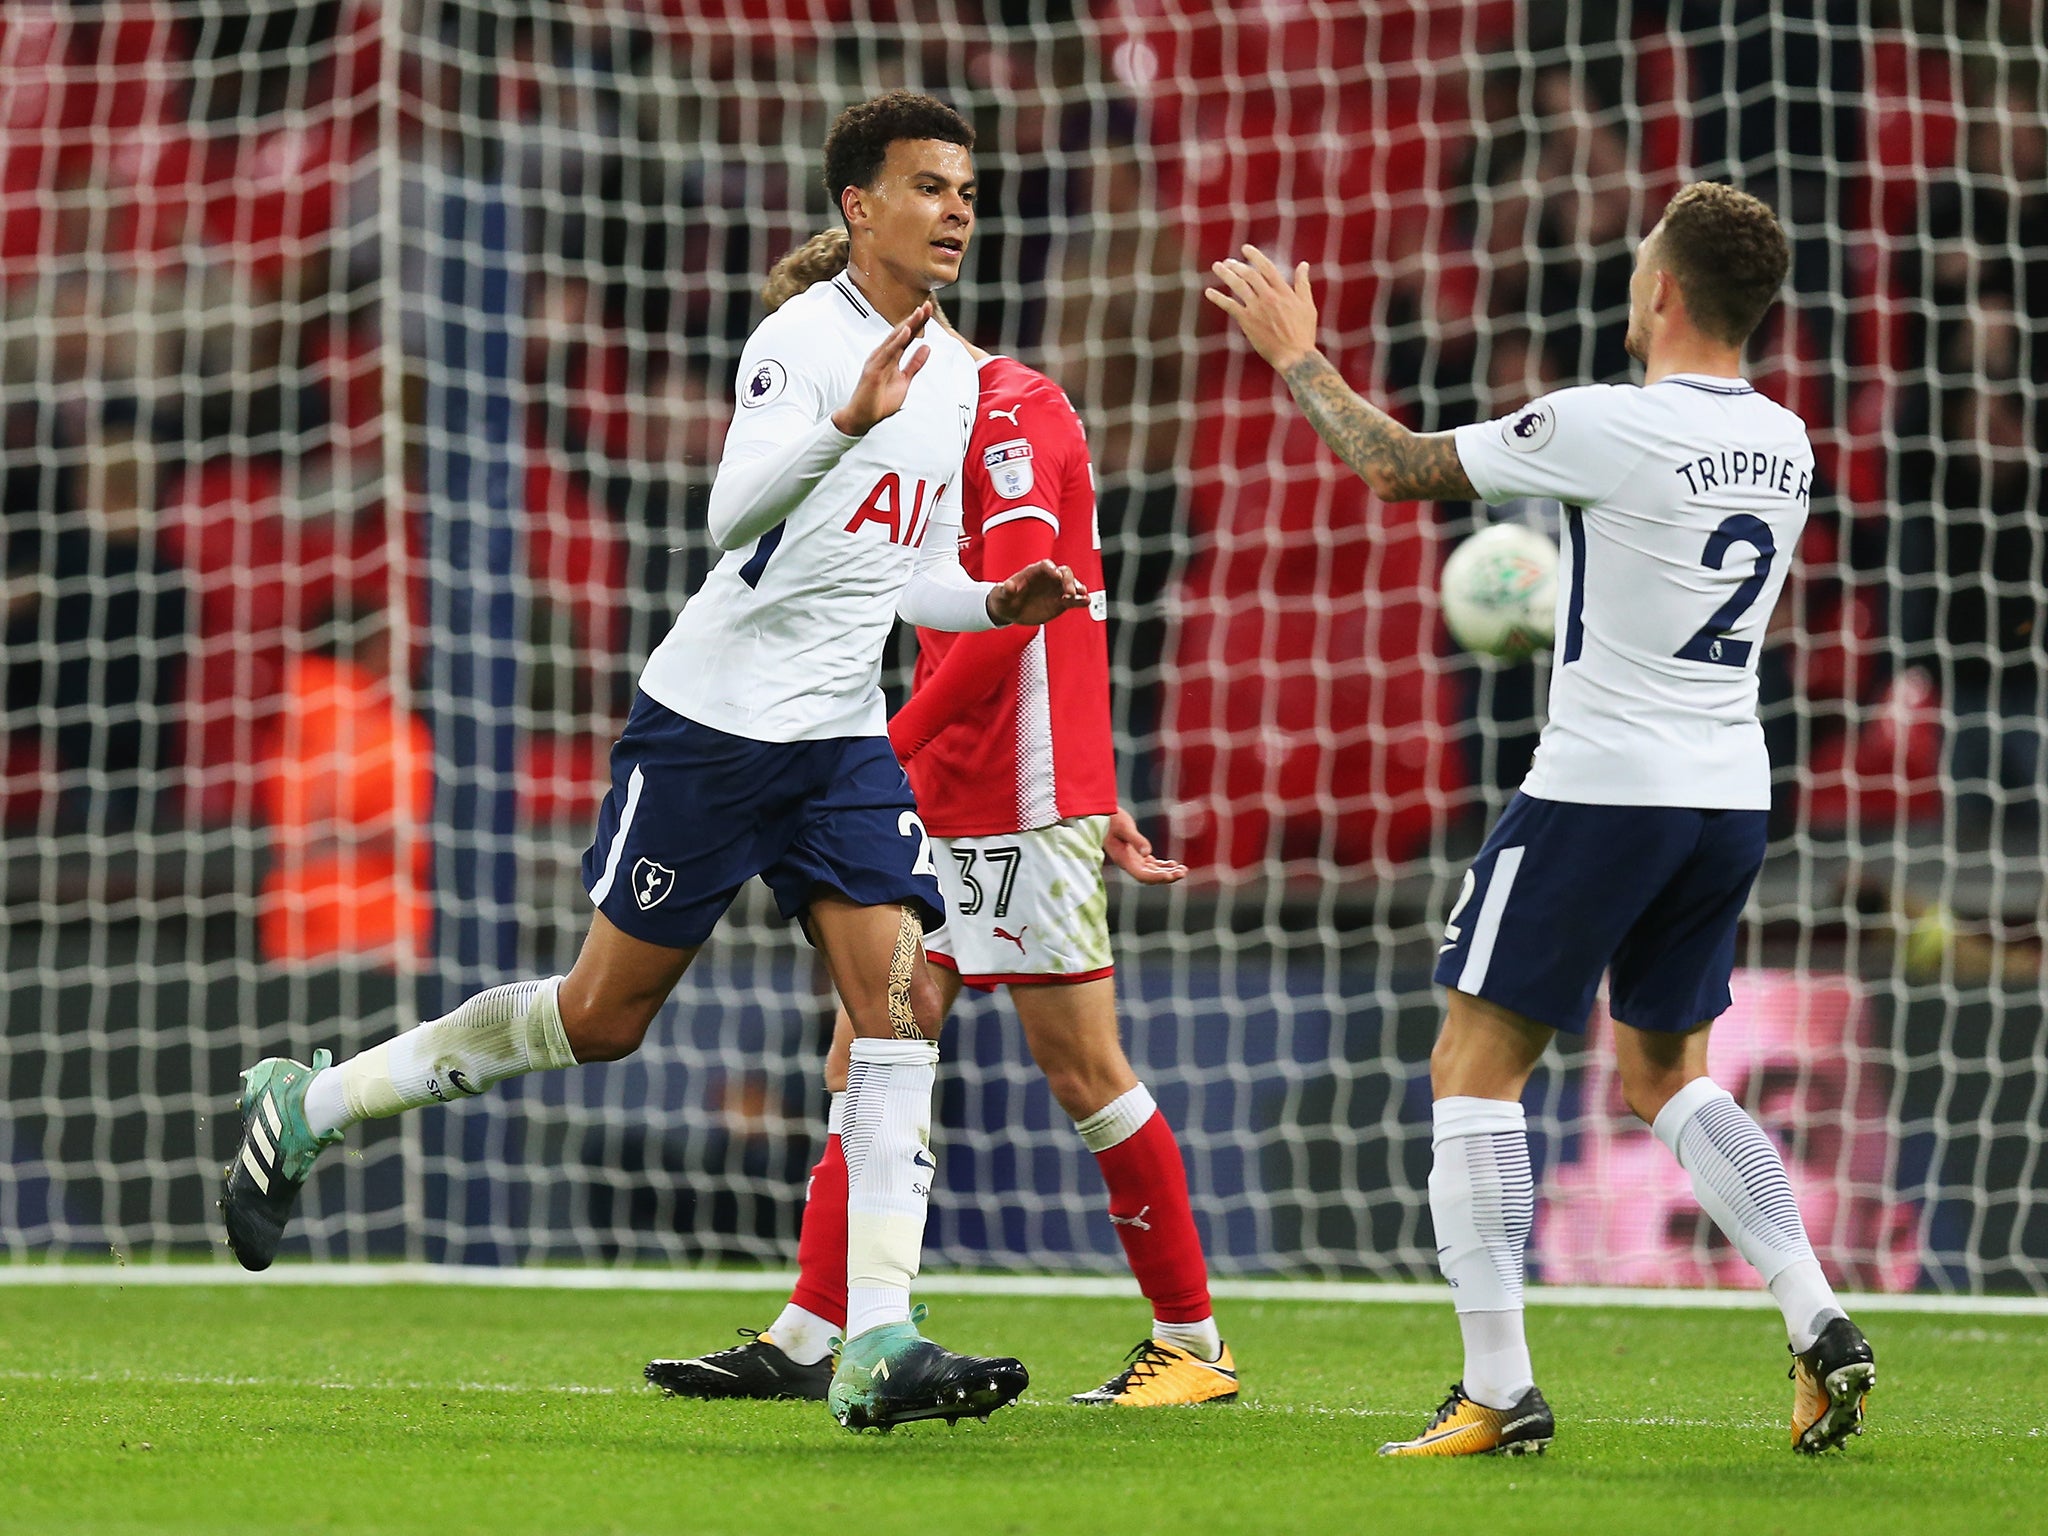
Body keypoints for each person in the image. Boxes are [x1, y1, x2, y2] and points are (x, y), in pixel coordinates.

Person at [220, 90, 1088, 1433]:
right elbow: (727, 511)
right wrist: (844, 421)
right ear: (860, 207)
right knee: (602, 1019)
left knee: (905, 1004)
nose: (958, 207)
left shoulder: (962, 375)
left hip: (839, 739)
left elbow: (905, 574)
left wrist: (997, 602)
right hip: (715, 725)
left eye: (966, 186)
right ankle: (316, 1100)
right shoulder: (801, 345)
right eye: (928, 185)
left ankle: (880, 1340)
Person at [1207, 181, 1877, 1457]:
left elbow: (1396, 467)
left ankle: (1498, 1388)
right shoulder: (1786, 441)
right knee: (1663, 1074)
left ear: (1660, 292)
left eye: (1638, 268)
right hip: (1725, 791)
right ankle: (1815, 1311)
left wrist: (1296, 356)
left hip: (1596, 788)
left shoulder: (1605, 424)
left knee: (1471, 1068)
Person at [646, 232, 1235, 1409]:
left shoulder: (1016, 411)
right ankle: (813, 1329)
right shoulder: (893, 429)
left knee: (1078, 1066)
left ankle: (1192, 1343)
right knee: (872, 1042)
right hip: (935, 779)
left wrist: (873, 757)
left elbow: (1015, 619)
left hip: (1018, 788)